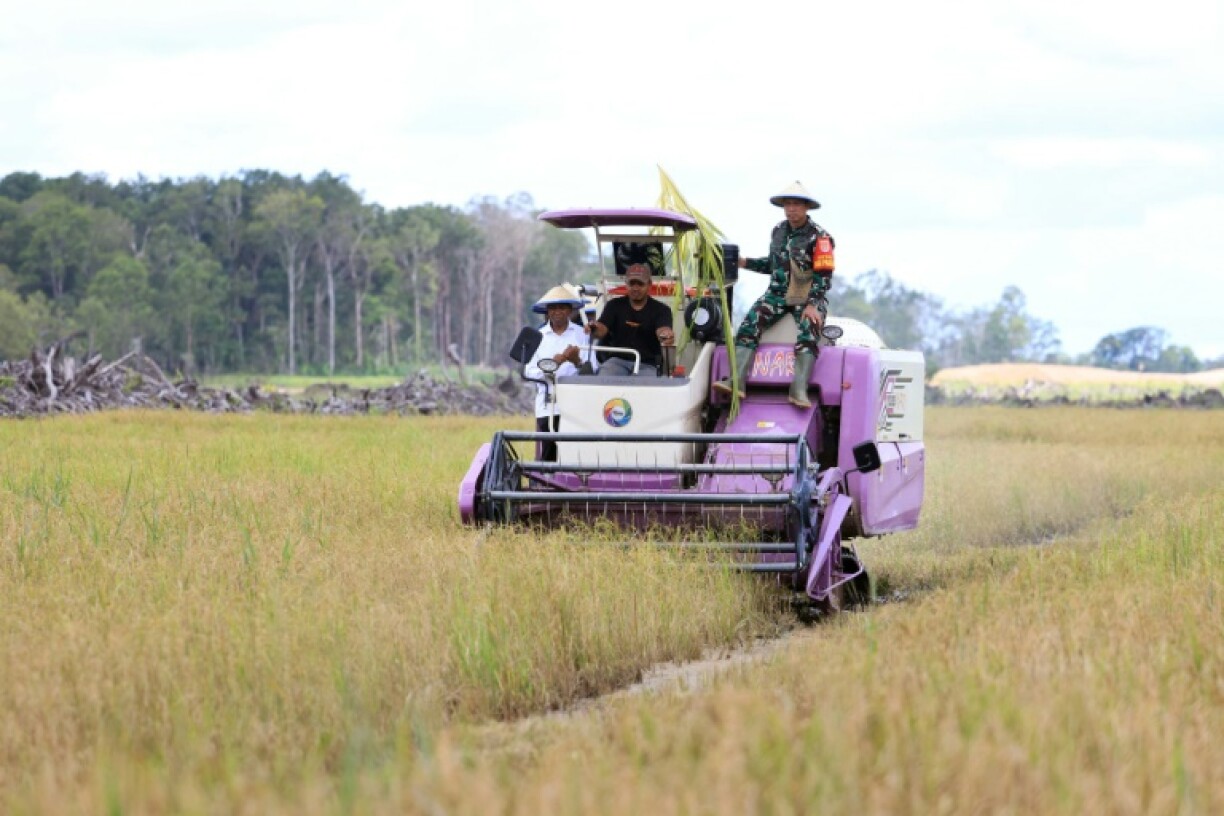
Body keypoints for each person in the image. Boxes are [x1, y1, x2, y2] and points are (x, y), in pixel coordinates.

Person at [713, 181, 834, 408]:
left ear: (806, 207)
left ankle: (798, 389)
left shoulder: (820, 237)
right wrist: (744, 262)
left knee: (809, 330)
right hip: (777, 294)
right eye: (787, 204)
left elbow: (825, 274)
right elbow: (773, 264)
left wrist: (813, 304)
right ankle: (736, 382)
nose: (791, 209)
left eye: (796, 205)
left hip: (806, 295)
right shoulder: (778, 231)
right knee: (750, 323)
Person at [525, 285, 590, 461]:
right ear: (547, 311)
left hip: (576, 403)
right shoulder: (538, 336)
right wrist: (554, 364)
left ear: (569, 310)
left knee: (575, 452)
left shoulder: (582, 335)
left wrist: (577, 361)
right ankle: (547, 485)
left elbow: (593, 373)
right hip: (548, 403)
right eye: (553, 308)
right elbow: (529, 371)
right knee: (548, 453)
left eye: (562, 307)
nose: (557, 312)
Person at [585, 263, 676, 376]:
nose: (635, 288)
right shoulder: (613, 305)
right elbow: (602, 329)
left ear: (649, 284)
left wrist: (665, 335)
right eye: (632, 284)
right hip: (617, 361)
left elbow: (662, 329)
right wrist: (593, 327)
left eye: (640, 284)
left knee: (647, 387)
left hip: (648, 364)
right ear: (626, 284)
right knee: (604, 378)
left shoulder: (662, 309)